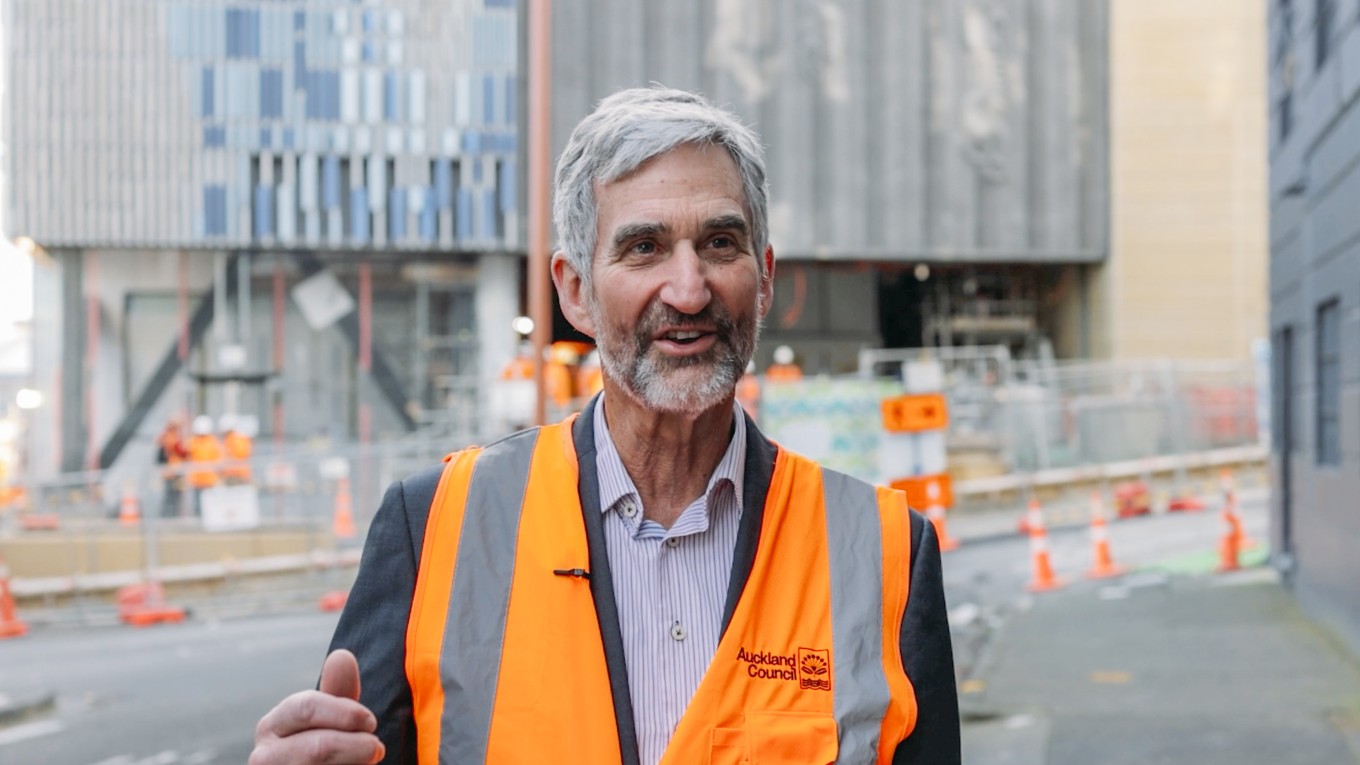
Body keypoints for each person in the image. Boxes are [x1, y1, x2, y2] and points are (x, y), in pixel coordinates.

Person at [250, 86, 960, 765]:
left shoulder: (888, 554)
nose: (688, 290)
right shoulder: (433, 527)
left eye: (719, 243)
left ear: (765, 276)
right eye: (643, 247)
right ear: (576, 290)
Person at [156, 417, 188, 517]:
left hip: (173, 471)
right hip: (173, 471)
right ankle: (169, 516)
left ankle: (171, 515)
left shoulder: (168, 435)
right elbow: (180, 451)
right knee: (172, 495)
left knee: (174, 495)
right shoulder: (171, 436)